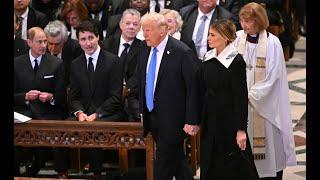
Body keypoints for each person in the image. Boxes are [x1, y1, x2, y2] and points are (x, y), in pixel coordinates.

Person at [234, 2, 297, 179]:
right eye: (242, 20)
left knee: (268, 146)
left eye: (249, 21)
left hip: (263, 106)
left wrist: (249, 96)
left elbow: (274, 76)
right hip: (241, 105)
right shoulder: (237, 39)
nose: (244, 25)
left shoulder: (272, 43)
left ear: (259, 21)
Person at [137, 12, 200, 180]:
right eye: (143, 30)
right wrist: (143, 110)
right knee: (177, 161)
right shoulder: (144, 48)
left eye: (148, 30)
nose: (144, 34)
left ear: (162, 30)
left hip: (174, 119)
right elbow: (142, 80)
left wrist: (192, 119)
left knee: (163, 164)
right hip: (152, 115)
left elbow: (193, 88)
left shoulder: (182, 52)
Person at [197, 19, 258, 180]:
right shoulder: (208, 57)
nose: (208, 38)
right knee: (210, 163)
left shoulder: (236, 61)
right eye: (208, 34)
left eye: (212, 35)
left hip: (228, 123)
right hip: (210, 121)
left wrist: (241, 129)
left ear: (225, 37)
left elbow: (240, 98)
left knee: (232, 167)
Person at [68, 20, 126, 179]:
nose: (88, 43)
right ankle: (64, 171)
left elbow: (116, 97)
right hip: (84, 114)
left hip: (109, 113)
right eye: (83, 39)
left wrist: (97, 114)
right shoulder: (75, 64)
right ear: (78, 41)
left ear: (98, 37)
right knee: (59, 126)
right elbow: (73, 96)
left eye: (91, 38)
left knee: (95, 127)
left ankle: (97, 172)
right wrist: (79, 113)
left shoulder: (113, 61)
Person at [14, 27, 69, 178]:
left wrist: (51, 97)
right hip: (23, 113)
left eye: (45, 41)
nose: (44, 45)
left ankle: (62, 172)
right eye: (39, 42)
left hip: (48, 112)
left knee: (58, 129)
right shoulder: (17, 63)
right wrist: (25, 96)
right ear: (29, 42)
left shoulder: (56, 63)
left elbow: (62, 96)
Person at [100, 8, 141, 121]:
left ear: (139, 27)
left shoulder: (144, 48)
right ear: (121, 25)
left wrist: (126, 89)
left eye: (135, 24)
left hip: (130, 93)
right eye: (128, 23)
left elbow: (139, 75)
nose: (131, 27)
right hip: (107, 91)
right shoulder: (106, 45)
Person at [44, 20, 83, 86]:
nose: (53, 48)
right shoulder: (41, 49)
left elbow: (78, 76)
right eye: (50, 44)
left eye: (57, 44)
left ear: (64, 41)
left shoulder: (76, 49)